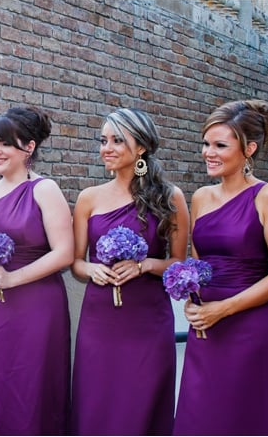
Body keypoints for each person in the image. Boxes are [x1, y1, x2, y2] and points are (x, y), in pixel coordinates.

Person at [174, 100, 268, 436]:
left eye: (220, 145)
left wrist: (222, 309)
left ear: (249, 149)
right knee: (202, 418)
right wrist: (191, 300)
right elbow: (196, 265)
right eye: (206, 143)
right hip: (206, 329)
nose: (208, 152)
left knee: (246, 417)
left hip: (250, 329)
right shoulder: (200, 197)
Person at [70, 108, 189, 435]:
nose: (106, 147)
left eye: (117, 140)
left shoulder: (170, 197)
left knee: (140, 406)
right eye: (103, 140)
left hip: (148, 319)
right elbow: (76, 263)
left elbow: (179, 262)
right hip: (99, 320)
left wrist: (146, 265)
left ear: (141, 148)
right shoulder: (88, 198)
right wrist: (93, 269)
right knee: (98, 404)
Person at [0, 106, 74, 435]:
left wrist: (12, 278)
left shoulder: (44, 189)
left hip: (35, 307)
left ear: (29, 148)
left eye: (5, 144)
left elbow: (64, 253)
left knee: (29, 389)